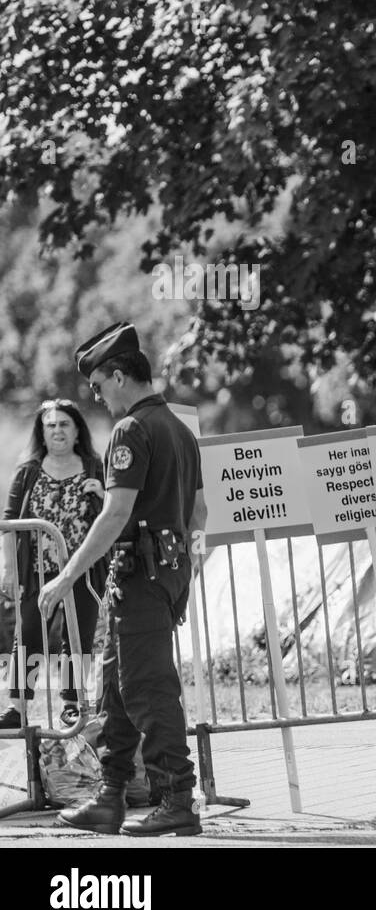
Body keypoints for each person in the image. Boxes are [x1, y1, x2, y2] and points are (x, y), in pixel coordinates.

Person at [42, 323, 207, 836]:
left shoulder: (131, 431)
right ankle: (110, 796)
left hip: (140, 574)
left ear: (118, 377)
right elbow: (199, 511)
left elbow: (115, 515)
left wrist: (65, 578)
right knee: (115, 687)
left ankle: (178, 797)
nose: (96, 397)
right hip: (159, 573)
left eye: (96, 386)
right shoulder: (179, 428)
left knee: (147, 687)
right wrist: (183, 567)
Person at [0, 399, 108, 728]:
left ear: (77, 432)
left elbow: (116, 513)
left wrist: (103, 495)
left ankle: (72, 704)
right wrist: (9, 569)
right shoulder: (28, 471)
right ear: (42, 433)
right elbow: (8, 521)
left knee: (79, 637)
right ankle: (17, 707)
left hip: (84, 569)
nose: (57, 430)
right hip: (37, 572)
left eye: (64, 424)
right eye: (51, 425)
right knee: (29, 635)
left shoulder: (94, 466)